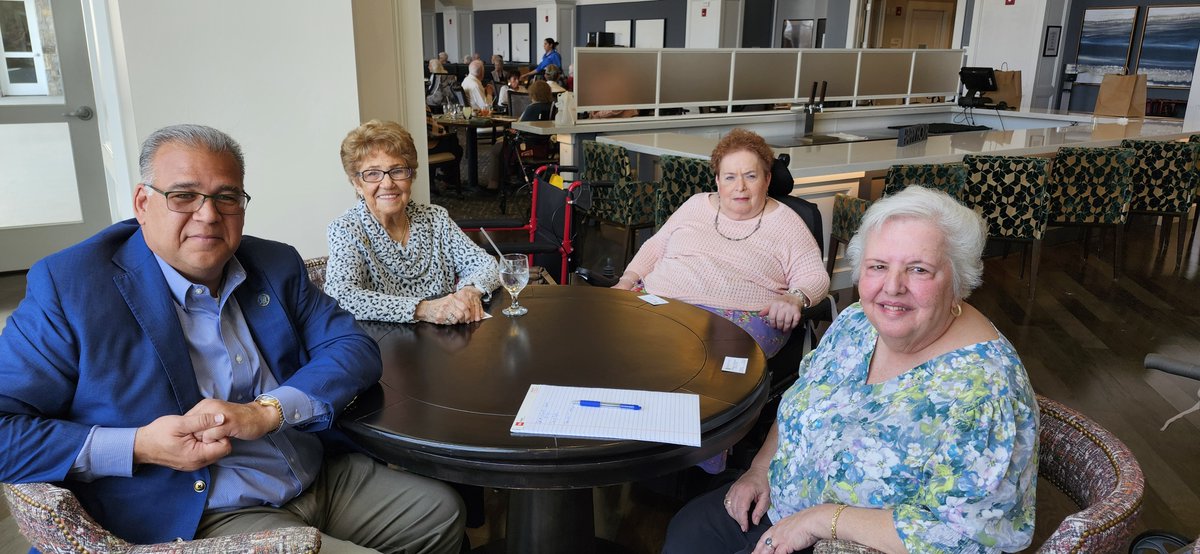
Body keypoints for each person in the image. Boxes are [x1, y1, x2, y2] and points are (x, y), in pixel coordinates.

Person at [0, 124, 465, 552]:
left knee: (441, 513)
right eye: (183, 195)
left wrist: (267, 412)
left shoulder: (273, 263)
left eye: (227, 197)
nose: (208, 214)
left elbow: (353, 347)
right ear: (143, 203)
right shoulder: (72, 286)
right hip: (200, 510)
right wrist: (139, 444)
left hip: (313, 473)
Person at [662, 186, 1039, 554]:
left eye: (919, 269)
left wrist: (820, 521)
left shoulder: (983, 389)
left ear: (957, 280)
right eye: (878, 266)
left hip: (848, 543)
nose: (892, 287)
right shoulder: (858, 322)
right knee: (688, 530)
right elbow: (802, 399)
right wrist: (760, 469)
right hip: (777, 506)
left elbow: (966, 538)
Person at [614, 129, 827, 358]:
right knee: (615, 343)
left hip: (735, 319)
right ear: (717, 180)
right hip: (659, 301)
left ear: (767, 179)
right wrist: (626, 281)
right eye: (730, 177)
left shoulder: (786, 222)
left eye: (751, 176)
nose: (740, 186)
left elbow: (815, 276)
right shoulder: (695, 205)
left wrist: (794, 298)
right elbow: (655, 246)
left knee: (682, 362)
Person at [325, 120, 500, 325]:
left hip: (446, 345)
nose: (388, 183)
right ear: (357, 183)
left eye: (397, 170)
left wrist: (470, 291)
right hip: (384, 347)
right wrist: (422, 309)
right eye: (373, 173)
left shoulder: (435, 219)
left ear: (410, 176)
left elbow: (487, 264)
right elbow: (341, 296)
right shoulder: (347, 229)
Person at [485, 80, 555, 192]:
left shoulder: (532, 108)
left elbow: (520, 128)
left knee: (496, 149)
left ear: (533, 94)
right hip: (543, 144)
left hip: (526, 144)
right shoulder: (552, 107)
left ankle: (494, 184)